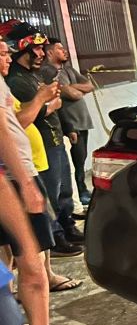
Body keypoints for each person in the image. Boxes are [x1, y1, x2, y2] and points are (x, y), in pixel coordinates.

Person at [0, 38, 83, 325]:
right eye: (3, 53)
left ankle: (14, 324)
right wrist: (26, 182)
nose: (7, 57)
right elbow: (6, 129)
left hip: (14, 175)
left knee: (6, 260)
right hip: (12, 179)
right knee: (32, 261)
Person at [2, 21, 83, 255]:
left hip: (53, 140)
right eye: (35, 49)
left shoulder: (33, 76)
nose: (41, 54)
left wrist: (66, 125)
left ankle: (65, 228)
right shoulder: (15, 81)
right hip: (38, 149)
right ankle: (56, 237)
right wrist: (45, 102)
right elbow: (22, 119)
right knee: (49, 198)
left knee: (62, 191)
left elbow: (53, 107)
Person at [40, 39, 94, 207]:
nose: (64, 51)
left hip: (83, 121)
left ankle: (82, 189)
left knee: (82, 157)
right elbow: (74, 95)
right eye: (60, 49)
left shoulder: (68, 69)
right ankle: (78, 194)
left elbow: (90, 86)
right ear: (49, 52)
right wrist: (73, 89)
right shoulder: (47, 72)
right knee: (74, 162)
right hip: (70, 123)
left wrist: (71, 86)